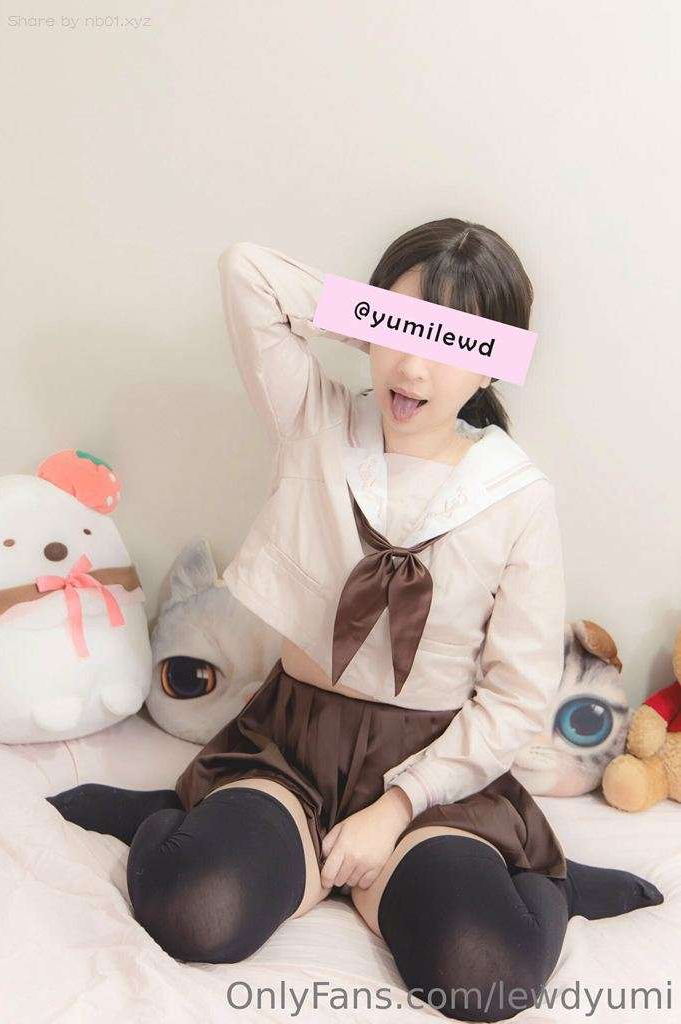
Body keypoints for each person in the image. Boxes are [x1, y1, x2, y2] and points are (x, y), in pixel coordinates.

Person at [48, 218, 663, 1022]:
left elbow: (515, 698)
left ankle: (554, 881)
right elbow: (248, 272)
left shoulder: (517, 496)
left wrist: (397, 807)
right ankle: (180, 810)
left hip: (436, 771)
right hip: (292, 745)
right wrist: (376, 319)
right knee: (195, 912)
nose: (413, 365)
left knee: (483, 974)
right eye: (399, 326)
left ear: (494, 361)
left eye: (449, 341)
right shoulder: (318, 424)